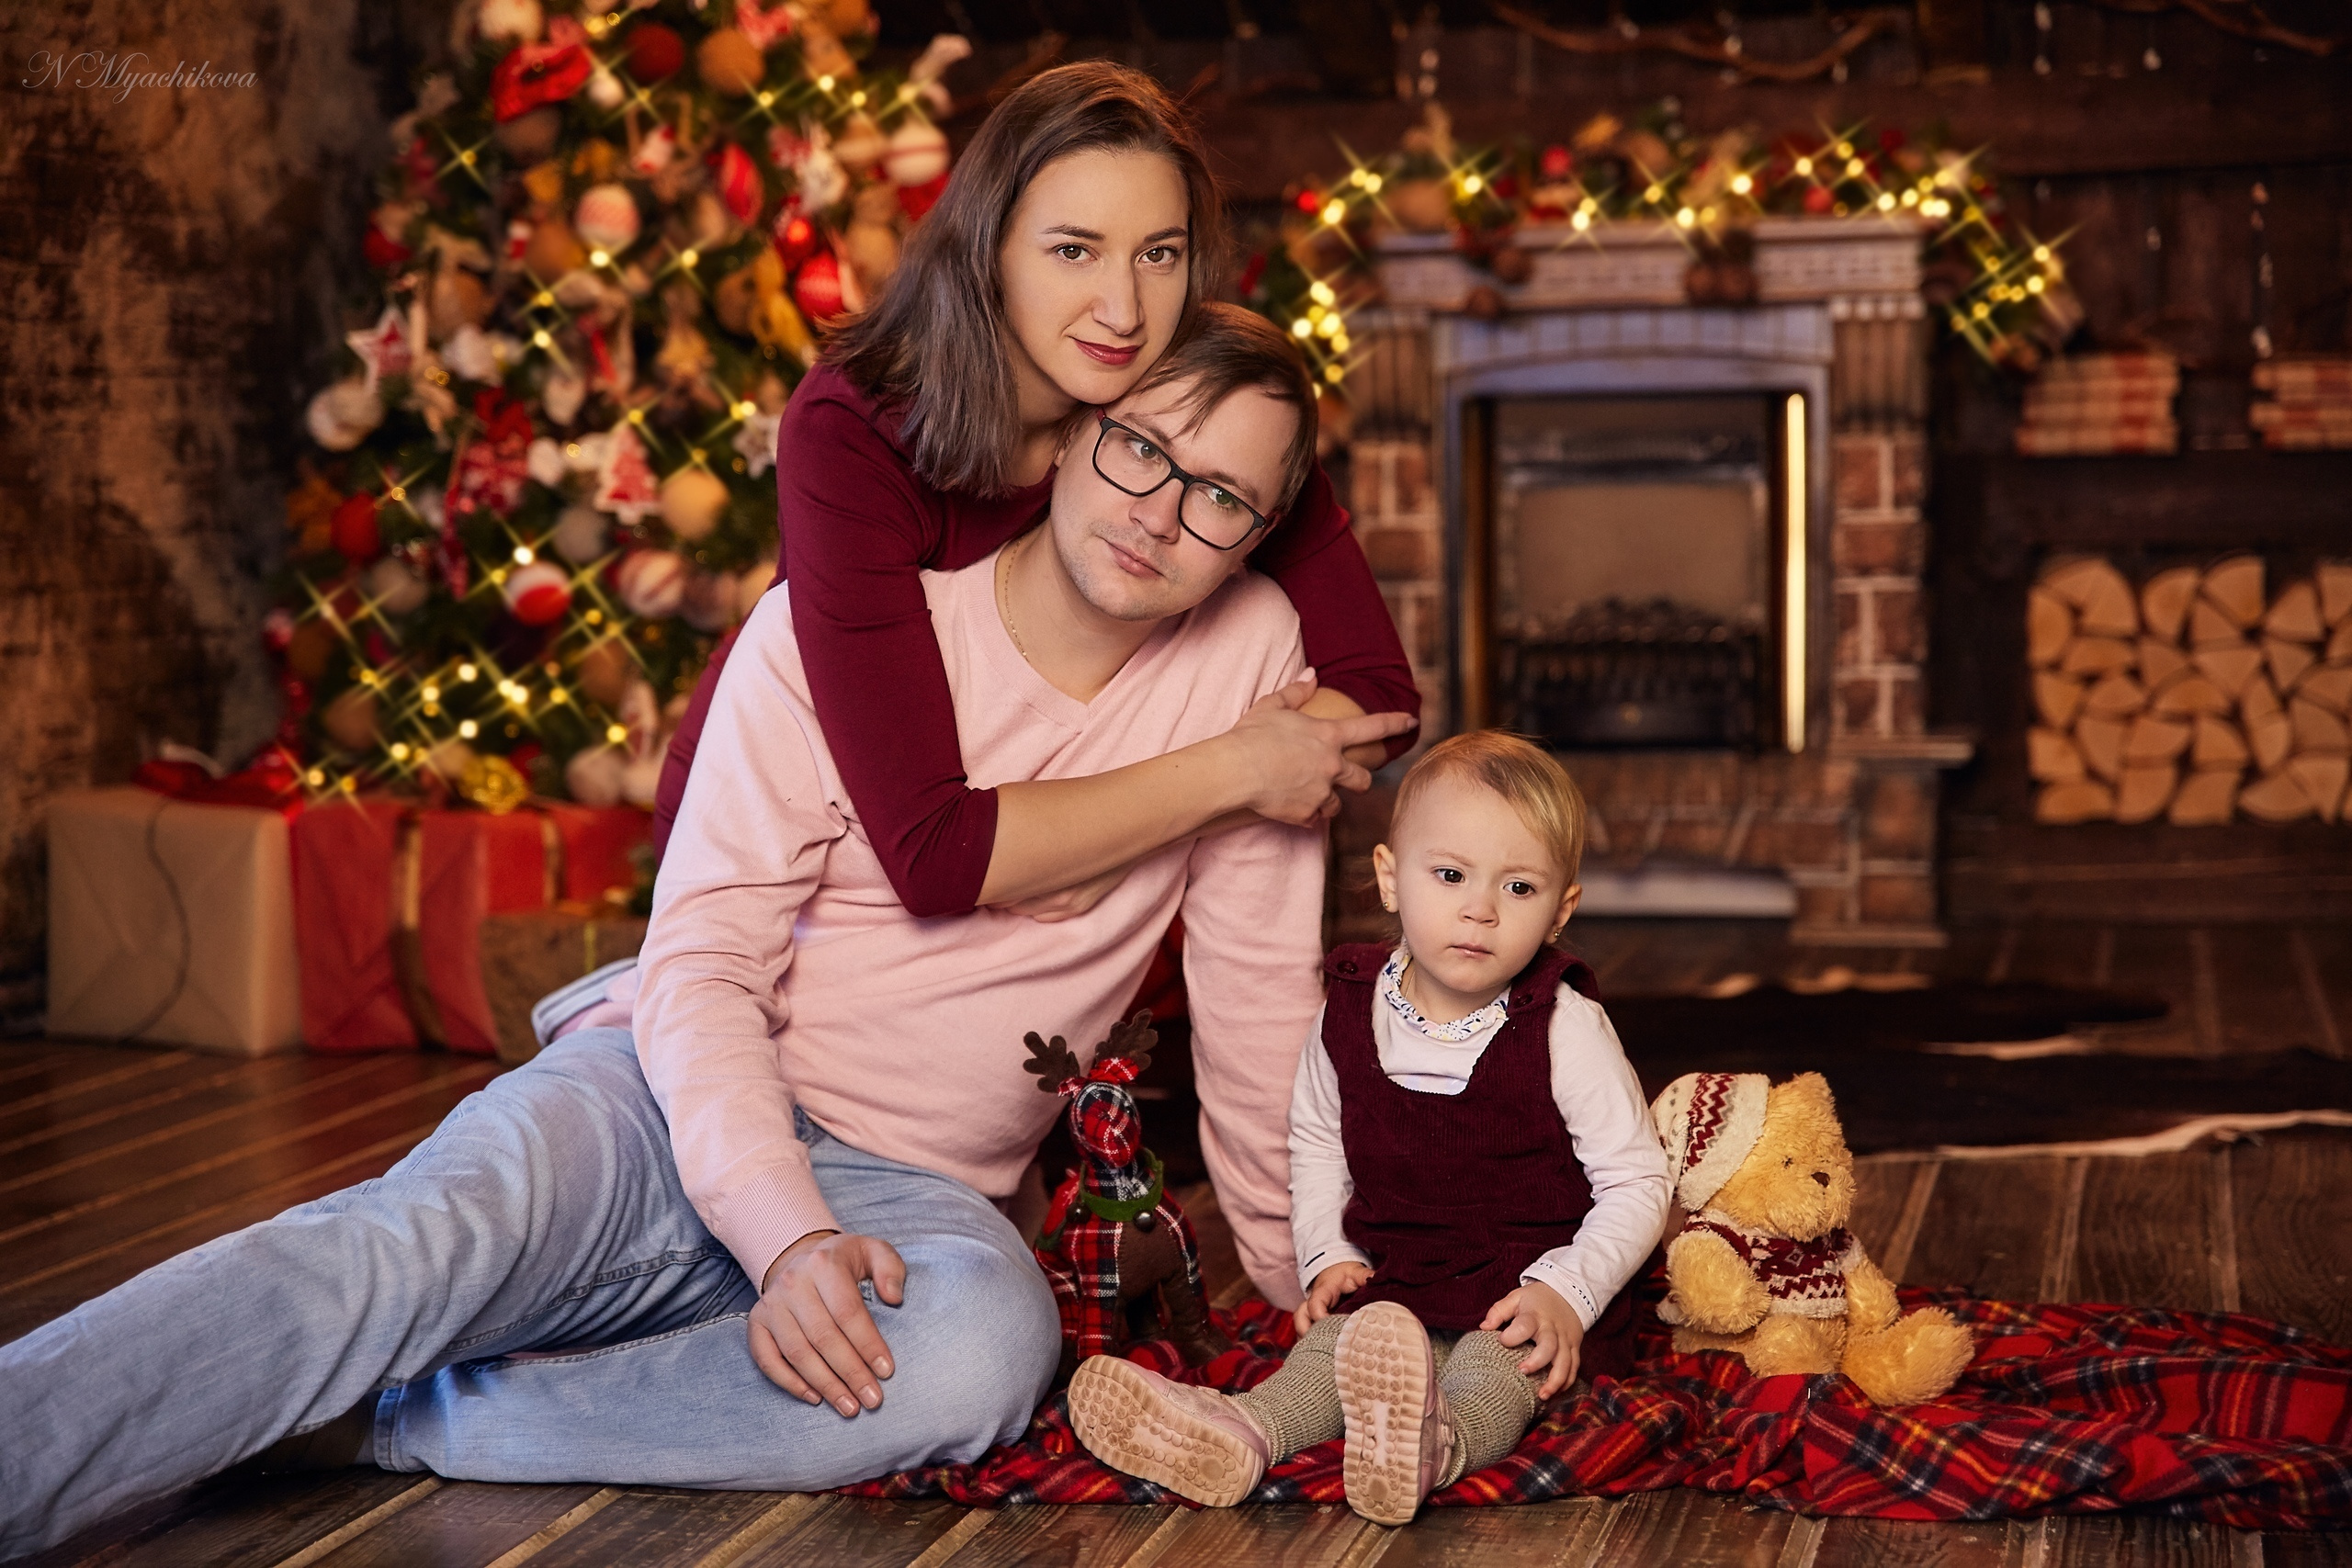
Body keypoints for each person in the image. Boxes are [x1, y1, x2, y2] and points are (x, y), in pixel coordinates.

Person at [0, 308, 1330, 1560]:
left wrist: (1304, 1269)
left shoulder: (1251, 666)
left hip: (915, 1188)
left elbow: (1257, 993)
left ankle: (403, 1417)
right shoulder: (859, 627)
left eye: (1221, 497)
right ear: (1075, 426)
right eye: (1142, 447)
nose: (1161, 511)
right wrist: (784, 1235)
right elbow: (703, 961)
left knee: (986, 1350)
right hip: (660, 1093)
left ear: (1260, 533)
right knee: (412, 1243)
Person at [651, 61, 1419, 923]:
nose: (1123, 311)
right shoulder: (854, 426)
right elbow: (936, 856)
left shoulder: (1187, 417)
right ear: (990, 250)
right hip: (794, 861)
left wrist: (1119, 830)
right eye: (1073, 250)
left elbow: (1382, 696)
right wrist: (1237, 771)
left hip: (1022, 884)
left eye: (1158, 255)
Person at [1068, 733, 1672, 1525]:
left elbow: (1637, 1179)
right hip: (1399, 1283)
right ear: (1392, 877)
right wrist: (1329, 1252)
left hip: (1526, 1290)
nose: (1481, 908)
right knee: (1333, 1351)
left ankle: (1436, 1443)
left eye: (1519, 887)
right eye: (1450, 875)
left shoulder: (1563, 1024)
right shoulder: (1349, 1012)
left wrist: (1568, 1291)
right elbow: (1319, 1144)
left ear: (1560, 911)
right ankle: (1243, 1430)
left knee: (1496, 1368)